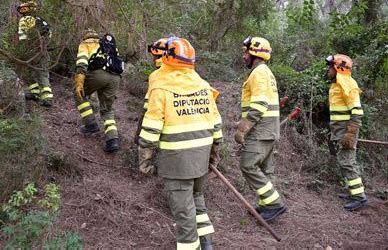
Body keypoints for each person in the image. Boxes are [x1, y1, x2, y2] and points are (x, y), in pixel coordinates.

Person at [138, 37, 222, 250]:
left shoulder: (160, 85)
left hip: (177, 160)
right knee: (197, 197)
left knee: (184, 213)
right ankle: (207, 244)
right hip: (201, 157)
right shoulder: (203, 85)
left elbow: (150, 129)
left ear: (166, 57)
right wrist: (213, 156)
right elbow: (217, 126)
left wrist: (145, 160)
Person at [234, 36, 287, 222]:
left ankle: (274, 204)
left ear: (254, 52)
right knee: (266, 170)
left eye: (246, 52)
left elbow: (259, 105)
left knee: (247, 165)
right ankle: (267, 206)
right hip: (269, 130)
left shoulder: (258, 73)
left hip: (260, 131)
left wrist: (243, 128)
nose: (244, 56)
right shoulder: (266, 72)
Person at [325, 54, 367, 211]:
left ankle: (359, 197)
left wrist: (350, 133)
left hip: (346, 130)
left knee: (347, 162)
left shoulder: (346, 83)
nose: (328, 70)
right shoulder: (337, 83)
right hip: (340, 129)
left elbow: (357, 111)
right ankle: (353, 191)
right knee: (346, 161)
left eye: (330, 67)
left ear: (338, 68)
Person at [74, 30, 123, 152]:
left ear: (84, 36)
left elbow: (82, 62)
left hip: (98, 74)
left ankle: (90, 124)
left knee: (78, 94)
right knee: (107, 110)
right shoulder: (106, 44)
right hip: (115, 78)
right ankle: (112, 140)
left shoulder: (86, 43)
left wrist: (79, 82)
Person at [17, 0, 53, 106]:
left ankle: (34, 92)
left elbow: (22, 35)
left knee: (25, 70)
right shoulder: (43, 21)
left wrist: (23, 50)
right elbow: (50, 36)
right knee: (43, 72)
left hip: (31, 50)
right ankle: (47, 98)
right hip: (44, 50)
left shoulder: (25, 19)